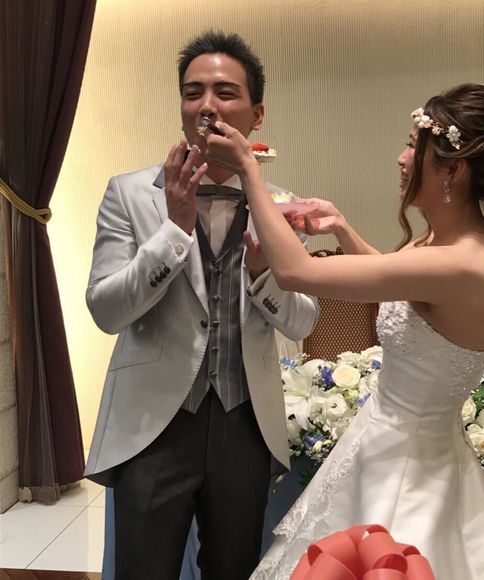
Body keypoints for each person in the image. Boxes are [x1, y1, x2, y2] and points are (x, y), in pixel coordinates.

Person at [199, 83, 484, 579]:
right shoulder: (443, 242)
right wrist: (341, 227)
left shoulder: (462, 263)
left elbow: (295, 272)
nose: (401, 158)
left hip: (410, 472)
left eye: (413, 146)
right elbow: (398, 287)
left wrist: (249, 170)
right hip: (386, 444)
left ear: (453, 168)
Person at [83, 30, 319, 580]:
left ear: (256, 114)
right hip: (153, 424)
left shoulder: (280, 206)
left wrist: (262, 272)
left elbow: (303, 320)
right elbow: (105, 311)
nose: (207, 106)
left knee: (235, 569)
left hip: (246, 423)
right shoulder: (129, 193)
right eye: (193, 93)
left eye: (225, 92)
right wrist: (173, 231)